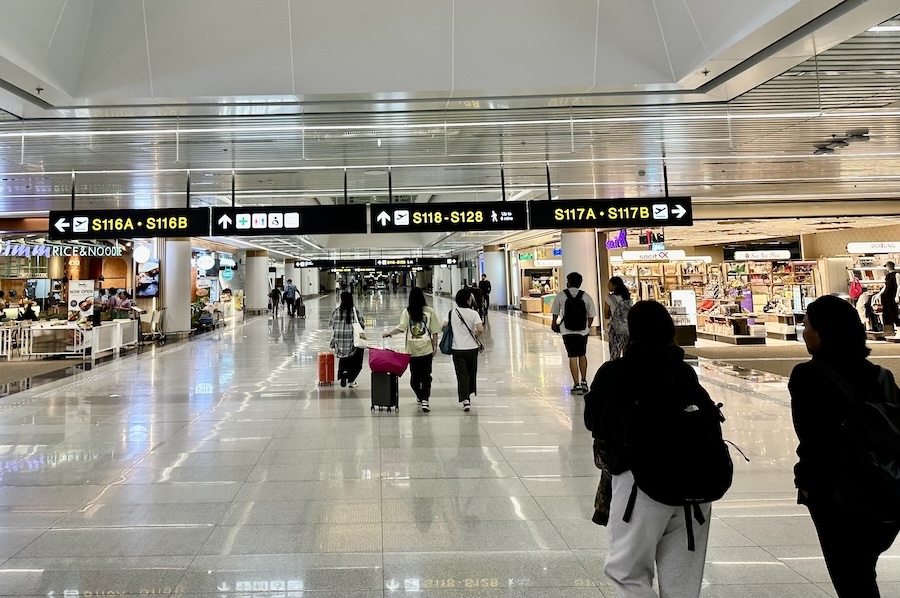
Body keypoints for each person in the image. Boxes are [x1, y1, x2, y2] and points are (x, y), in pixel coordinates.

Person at [584, 301, 713, 598]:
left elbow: (593, 421)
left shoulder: (616, 372)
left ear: (632, 331)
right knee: (683, 581)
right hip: (696, 484)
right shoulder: (684, 372)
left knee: (626, 572)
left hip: (640, 483)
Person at [789, 295, 900, 598]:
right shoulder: (881, 376)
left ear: (823, 333)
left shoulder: (808, 376)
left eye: (808, 325)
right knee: (863, 572)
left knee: (852, 579)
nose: (804, 332)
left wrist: (808, 485)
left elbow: (813, 439)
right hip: (886, 493)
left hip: (838, 495)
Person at [384, 287, 442, 412]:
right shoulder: (429, 311)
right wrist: (435, 346)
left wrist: (389, 333)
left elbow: (401, 328)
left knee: (414, 378)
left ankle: (421, 396)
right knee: (426, 376)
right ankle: (425, 399)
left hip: (412, 351)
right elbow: (435, 331)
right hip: (426, 349)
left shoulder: (407, 311)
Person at [551, 272, 597, 394]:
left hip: (567, 330)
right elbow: (591, 314)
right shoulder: (585, 296)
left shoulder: (561, 295)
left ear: (568, 282)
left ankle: (576, 384)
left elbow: (555, 311)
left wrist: (554, 323)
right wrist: (587, 326)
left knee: (572, 356)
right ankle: (584, 382)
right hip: (583, 331)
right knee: (582, 354)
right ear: (580, 283)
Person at [444, 288, 483, 412]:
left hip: (457, 348)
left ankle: (465, 400)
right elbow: (480, 329)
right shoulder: (474, 313)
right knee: (471, 373)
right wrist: (474, 337)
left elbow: (443, 326)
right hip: (472, 349)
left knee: (462, 375)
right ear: (468, 300)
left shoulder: (451, 313)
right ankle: (469, 393)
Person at [331, 292, 365, 388]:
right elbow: (362, 324)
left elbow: (332, 325)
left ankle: (343, 374)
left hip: (340, 342)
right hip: (353, 341)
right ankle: (351, 379)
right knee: (356, 361)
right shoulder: (355, 312)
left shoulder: (336, 311)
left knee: (343, 359)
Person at [604, 276, 632, 361]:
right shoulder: (627, 297)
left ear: (615, 285)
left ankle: (615, 371)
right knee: (627, 351)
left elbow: (606, 315)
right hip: (627, 328)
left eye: (609, 284)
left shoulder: (609, 298)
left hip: (615, 329)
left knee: (614, 353)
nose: (607, 285)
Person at [879, 261, 900, 336]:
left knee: (893, 311)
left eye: (887, 266)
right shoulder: (887, 276)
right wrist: (879, 294)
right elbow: (885, 286)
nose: (886, 268)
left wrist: (897, 296)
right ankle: (893, 330)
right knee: (887, 312)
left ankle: (898, 328)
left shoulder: (896, 274)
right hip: (886, 296)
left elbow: (899, 285)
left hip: (892, 295)